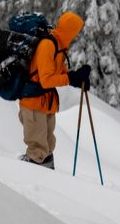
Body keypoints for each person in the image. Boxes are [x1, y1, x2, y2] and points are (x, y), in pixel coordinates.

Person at [19, 10, 91, 169]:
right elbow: (46, 80)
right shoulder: (48, 45)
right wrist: (70, 79)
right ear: (70, 31)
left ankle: (47, 179)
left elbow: (59, 71)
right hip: (33, 103)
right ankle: (31, 178)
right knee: (37, 151)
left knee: (47, 146)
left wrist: (76, 77)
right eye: (76, 32)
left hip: (45, 103)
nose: (76, 36)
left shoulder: (59, 45)